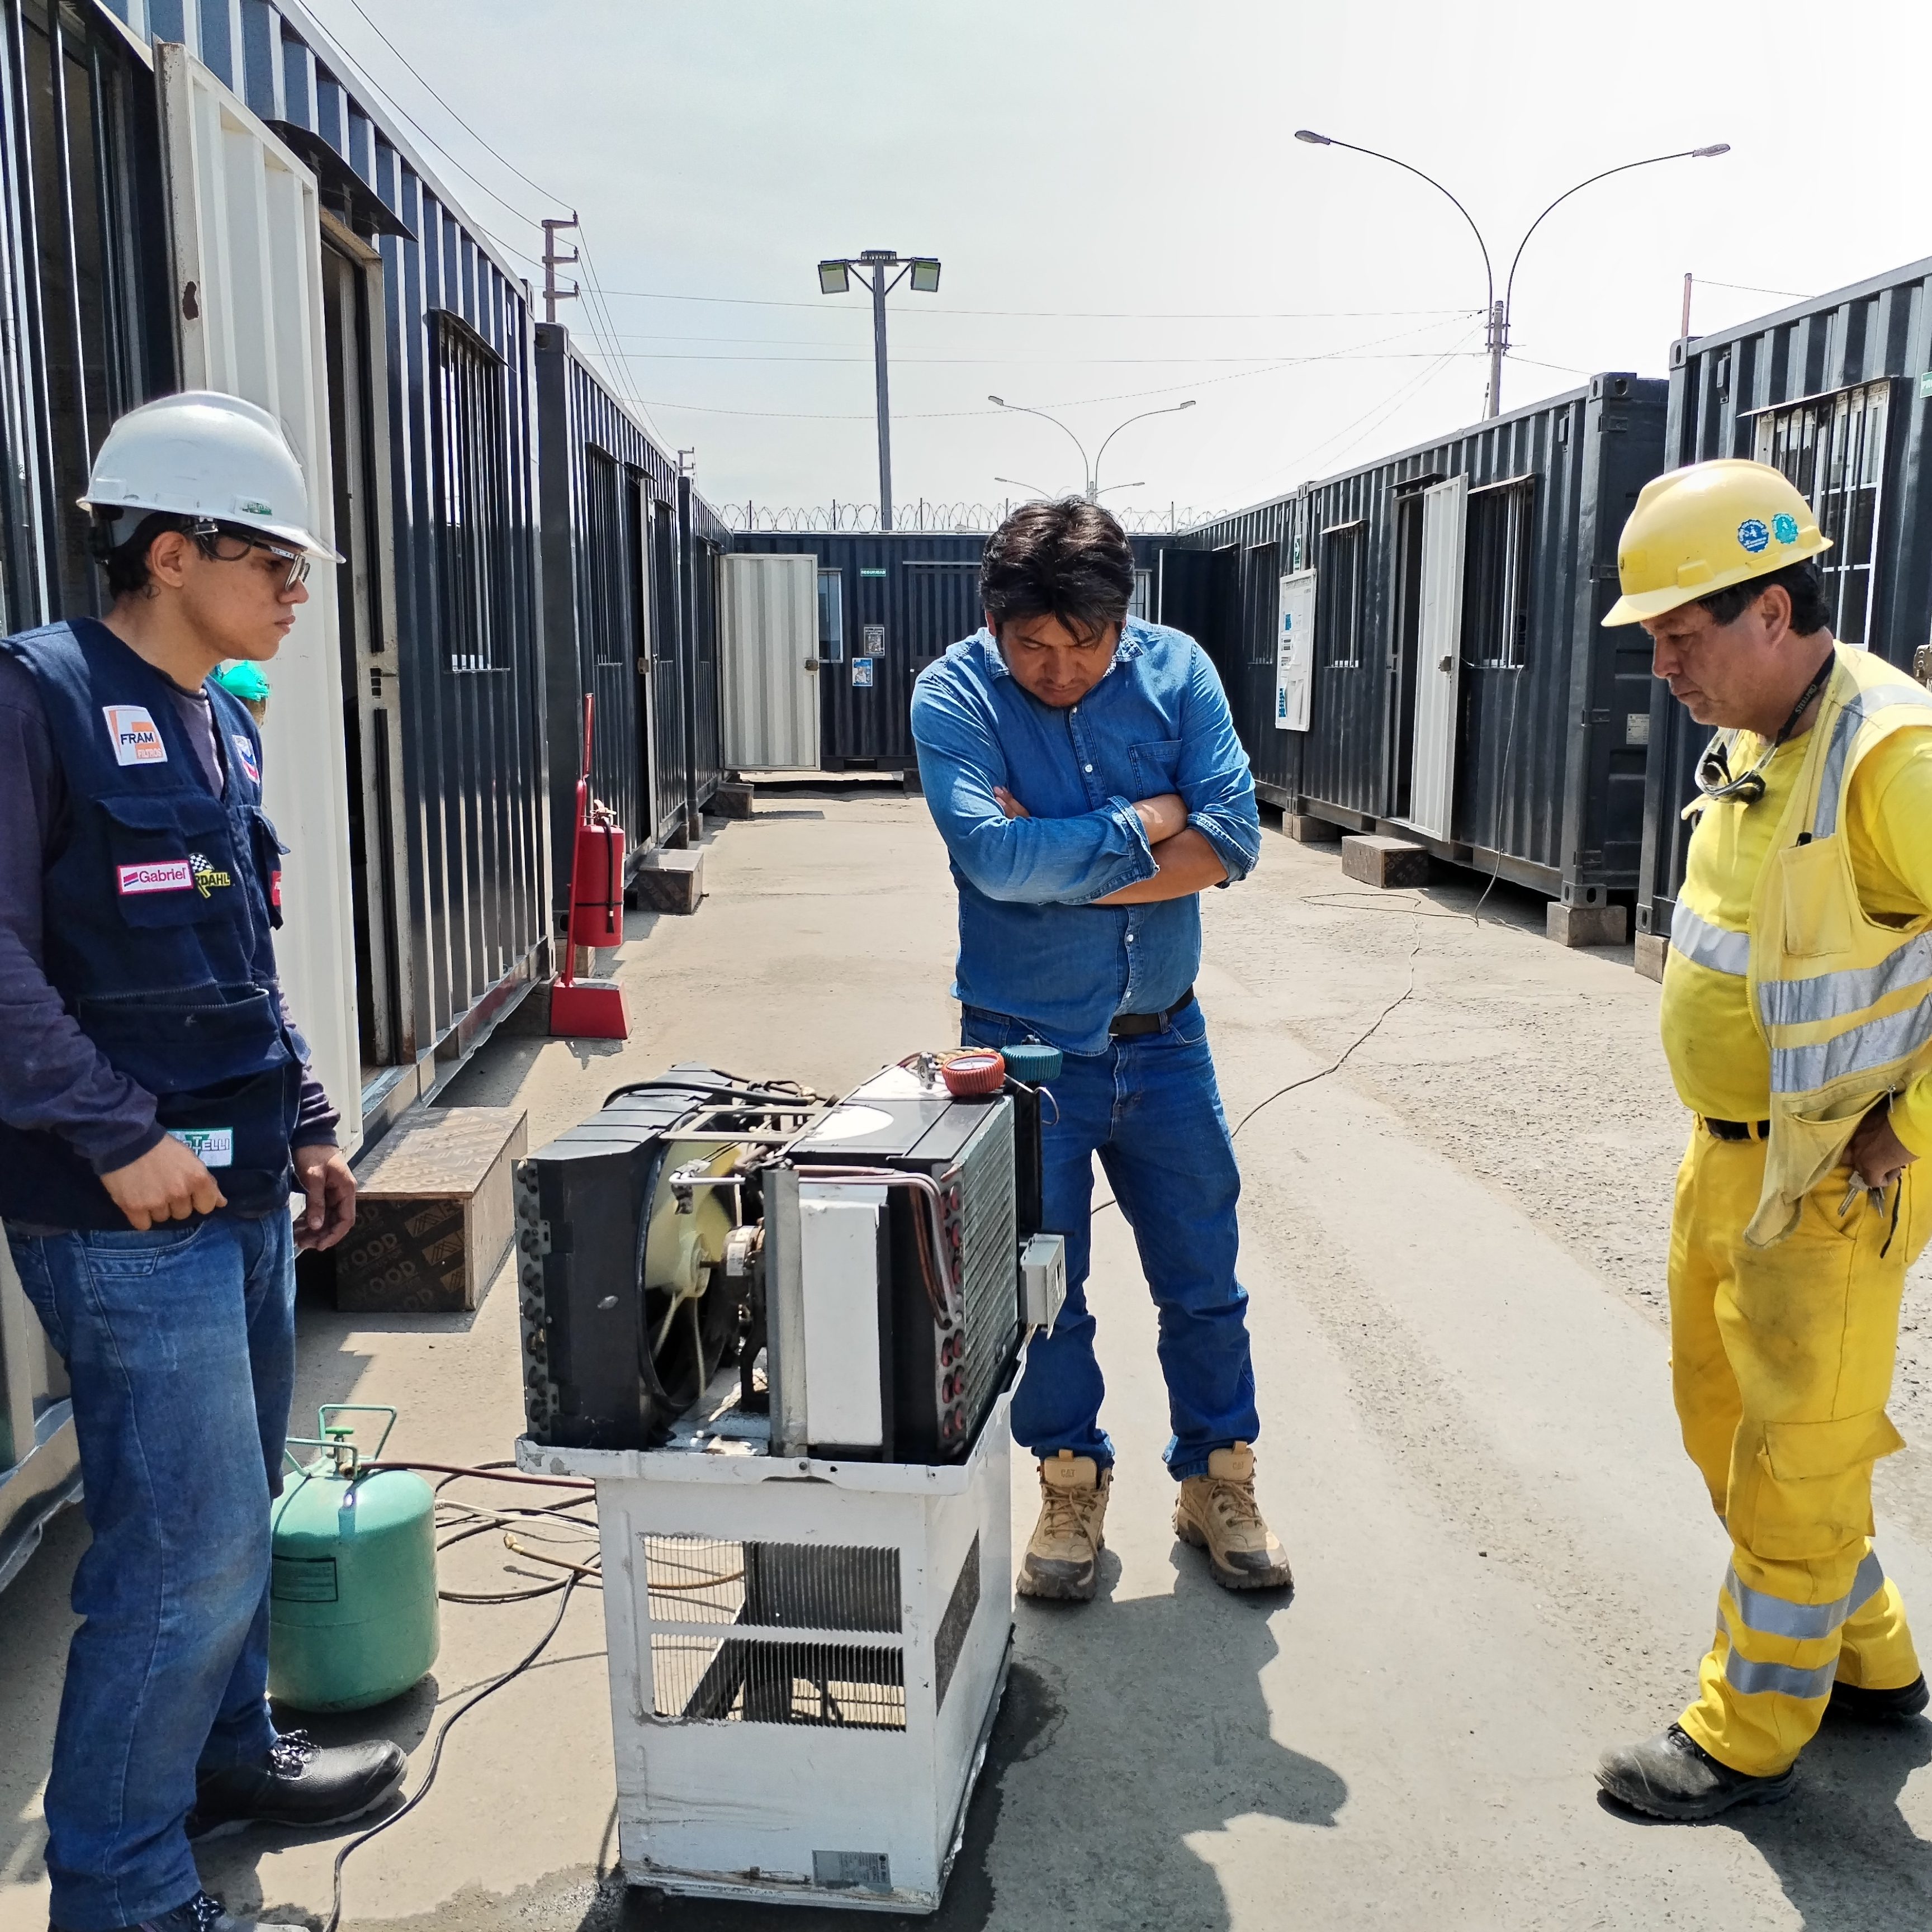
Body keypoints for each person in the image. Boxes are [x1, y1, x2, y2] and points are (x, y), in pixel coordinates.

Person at [0, 391, 405, 1932]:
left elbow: (238, 949)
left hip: (235, 1189)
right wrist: (116, 1135)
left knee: (226, 1526)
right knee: (184, 1548)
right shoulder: (35, 697)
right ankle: (121, 1889)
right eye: (276, 562)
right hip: (124, 1213)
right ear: (172, 552)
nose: (300, 591)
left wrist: (303, 1113)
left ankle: (227, 1759)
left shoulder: (217, 714)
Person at [1594, 458, 1932, 1821]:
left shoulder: (1891, 756)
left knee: (1796, 1452)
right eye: (1655, 639)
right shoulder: (1748, 739)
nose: (1663, 665)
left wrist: (1908, 1129)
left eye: (1683, 636)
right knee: (1722, 1420)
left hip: (1836, 1186)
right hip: (1726, 1158)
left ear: (1776, 611)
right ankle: (1872, 1657)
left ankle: (1749, 1730)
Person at [910, 499, 1289, 1602]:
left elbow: (1233, 840)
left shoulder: (1178, 674)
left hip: (1165, 1042)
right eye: (1033, 645)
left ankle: (1218, 1479)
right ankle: (1069, 1484)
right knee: (1044, 1286)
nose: (1060, 668)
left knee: (1202, 1278)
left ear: (1127, 621)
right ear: (994, 622)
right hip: (1023, 1055)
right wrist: (1147, 818)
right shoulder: (956, 694)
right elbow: (990, 861)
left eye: (1087, 644)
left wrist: (1070, 850)